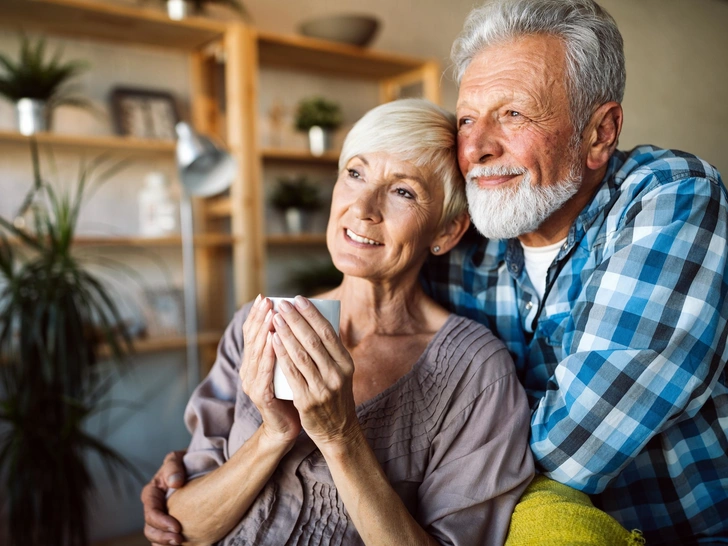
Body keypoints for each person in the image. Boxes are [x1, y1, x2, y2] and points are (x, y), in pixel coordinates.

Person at [145, 1, 728, 544]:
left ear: (599, 132)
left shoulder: (670, 199)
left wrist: (459, 429)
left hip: (680, 525)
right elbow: (386, 275)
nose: (477, 148)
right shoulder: (481, 239)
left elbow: (575, 450)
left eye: (514, 113)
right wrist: (195, 472)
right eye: (468, 118)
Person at [145, 98, 534, 546]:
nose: (363, 207)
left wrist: (340, 435)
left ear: (446, 231)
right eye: (355, 173)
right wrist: (273, 434)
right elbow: (180, 530)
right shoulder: (257, 325)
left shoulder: (476, 370)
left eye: (404, 191)